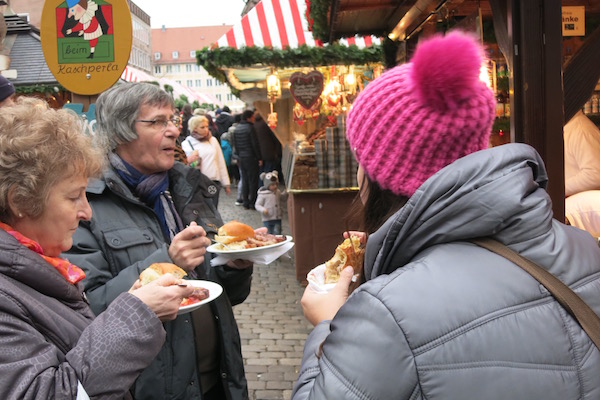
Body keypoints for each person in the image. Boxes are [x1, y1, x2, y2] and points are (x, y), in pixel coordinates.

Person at [292, 32, 600, 400]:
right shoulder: (586, 248)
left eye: (362, 160)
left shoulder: (386, 313)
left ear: (384, 175)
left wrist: (329, 325)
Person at [63, 83, 253, 400]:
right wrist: (167, 260)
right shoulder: (87, 206)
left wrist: (236, 265)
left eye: (172, 119)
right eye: (157, 122)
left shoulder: (189, 189)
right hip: (153, 389)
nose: (173, 131)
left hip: (219, 381)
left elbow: (222, 294)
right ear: (121, 133)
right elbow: (87, 309)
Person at [0, 97, 196, 399]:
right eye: (73, 196)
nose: (87, 212)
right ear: (19, 200)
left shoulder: (38, 266)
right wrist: (136, 314)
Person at [182, 115, 231, 208]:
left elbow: (220, 161)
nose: (206, 129)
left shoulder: (213, 140)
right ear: (194, 128)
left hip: (214, 182)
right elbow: (184, 166)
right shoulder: (186, 144)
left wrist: (226, 183)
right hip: (198, 184)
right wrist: (191, 159)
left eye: (207, 126)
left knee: (214, 210)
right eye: (202, 127)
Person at [564, 110, 600, 197]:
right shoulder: (569, 127)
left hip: (579, 204)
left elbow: (595, 175)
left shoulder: (581, 130)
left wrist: (559, 188)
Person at [233, 109, 262, 210]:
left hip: (241, 158)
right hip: (251, 157)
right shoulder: (250, 128)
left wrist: (238, 156)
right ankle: (252, 202)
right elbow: (255, 144)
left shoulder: (237, 129)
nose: (254, 119)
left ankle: (245, 201)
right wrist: (259, 158)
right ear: (249, 118)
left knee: (245, 179)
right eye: (253, 117)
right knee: (253, 180)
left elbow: (235, 145)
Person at [254, 112, 285, 185]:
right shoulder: (267, 124)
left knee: (262, 173)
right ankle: (267, 188)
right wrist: (278, 152)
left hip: (260, 153)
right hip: (269, 152)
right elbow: (275, 138)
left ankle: (261, 188)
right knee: (269, 173)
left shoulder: (254, 124)